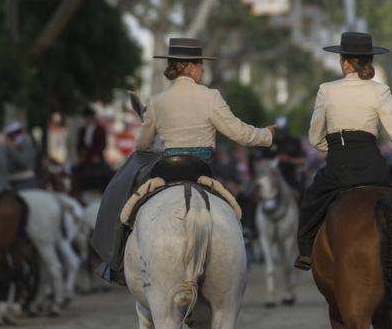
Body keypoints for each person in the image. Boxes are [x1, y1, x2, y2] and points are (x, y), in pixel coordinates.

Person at [92, 37, 275, 285]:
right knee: (234, 205)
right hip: (202, 169)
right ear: (189, 67)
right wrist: (267, 135)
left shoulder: (157, 101)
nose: (203, 69)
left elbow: (142, 145)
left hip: (165, 169)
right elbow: (240, 133)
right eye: (200, 64)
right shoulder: (211, 97)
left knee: (124, 200)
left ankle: (116, 260)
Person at [294, 32, 392, 270]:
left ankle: (305, 253)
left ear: (344, 61)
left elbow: (314, 137)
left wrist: (334, 148)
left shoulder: (327, 89)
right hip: (373, 167)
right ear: (368, 61)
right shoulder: (380, 91)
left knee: (310, 201)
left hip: (338, 167)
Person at [262, 116, 306, 195]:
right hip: (272, 177)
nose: (280, 134)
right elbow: (261, 160)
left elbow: (302, 160)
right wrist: (274, 160)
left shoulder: (294, 142)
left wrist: (288, 159)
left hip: (290, 176)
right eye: (279, 131)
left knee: (303, 192)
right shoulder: (269, 142)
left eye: (282, 131)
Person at [3, 121, 37, 190]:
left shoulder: (26, 144)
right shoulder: (10, 146)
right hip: (12, 182)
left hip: (25, 183)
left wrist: (11, 148)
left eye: (10, 135)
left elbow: (23, 162)